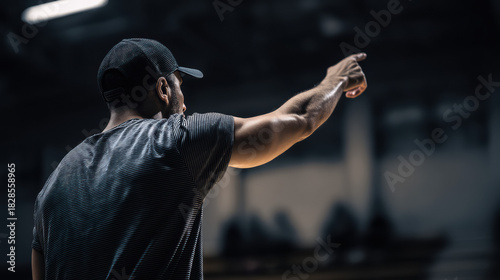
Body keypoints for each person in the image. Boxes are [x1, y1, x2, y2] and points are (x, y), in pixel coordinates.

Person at [31, 38, 367, 280]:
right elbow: (301, 119)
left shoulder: (52, 185)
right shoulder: (174, 139)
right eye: (180, 86)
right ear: (163, 89)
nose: (185, 103)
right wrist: (334, 80)